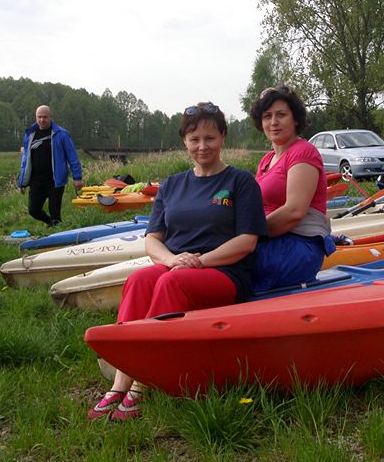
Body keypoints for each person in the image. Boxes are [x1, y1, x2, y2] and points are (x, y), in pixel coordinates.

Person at [88, 103, 268, 421]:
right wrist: (172, 260)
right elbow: (152, 239)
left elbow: (247, 242)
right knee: (139, 280)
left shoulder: (241, 182)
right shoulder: (172, 185)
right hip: (177, 265)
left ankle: (143, 384)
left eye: (210, 138)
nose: (202, 146)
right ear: (184, 141)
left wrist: (199, 262)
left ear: (223, 137)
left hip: (225, 272)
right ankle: (120, 382)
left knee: (172, 281)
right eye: (194, 138)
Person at [249, 86, 335, 292]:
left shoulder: (303, 153)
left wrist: (247, 236)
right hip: (270, 241)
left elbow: (294, 212)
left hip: (297, 245)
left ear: (295, 119)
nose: (273, 122)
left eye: (281, 115)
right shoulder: (266, 160)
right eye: (267, 116)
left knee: (226, 266)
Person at [18, 105, 83, 226]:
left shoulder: (62, 134)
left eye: (45, 117)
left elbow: (73, 157)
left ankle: (57, 233)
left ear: (50, 117)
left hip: (55, 180)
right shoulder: (30, 134)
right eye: (39, 117)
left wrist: (77, 178)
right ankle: (50, 223)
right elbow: (25, 160)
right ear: (36, 117)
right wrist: (22, 182)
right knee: (33, 210)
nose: (42, 120)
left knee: (55, 214)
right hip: (36, 180)